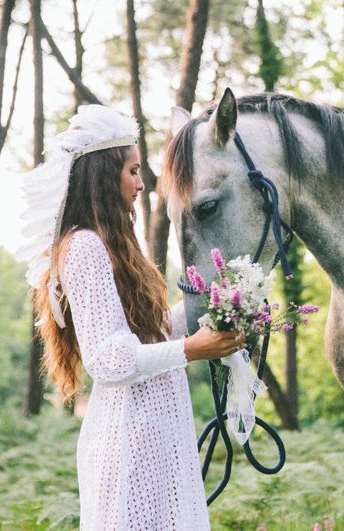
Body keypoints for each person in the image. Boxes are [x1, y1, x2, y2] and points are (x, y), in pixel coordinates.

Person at [18, 104, 244, 530]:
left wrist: (217, 305)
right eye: (133, 171)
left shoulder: (114, 245)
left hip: (158, 435)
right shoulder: (84, 248)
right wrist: (193, 349)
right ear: (104, 176)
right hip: (129, 441)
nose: (142, 184)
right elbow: (109, 359)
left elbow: (150, 333)